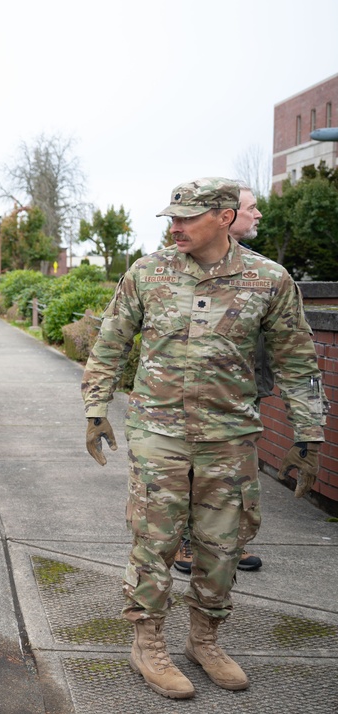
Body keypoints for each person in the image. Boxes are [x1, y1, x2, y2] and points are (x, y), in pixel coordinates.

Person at [83, 177, 325, 700]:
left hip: (230, 436)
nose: (176, 226)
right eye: (171, 217)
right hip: (159, 431)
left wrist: (309, 434)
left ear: (223, 216)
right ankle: (147, 643)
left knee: (221, 548)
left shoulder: (269, 280)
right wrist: (95, 407)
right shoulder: (147, 274)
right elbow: (111, 341)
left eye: (187, 217)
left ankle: (204, 640)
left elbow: (299, 359)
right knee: (155, 542)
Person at [174, 183, 265, 574]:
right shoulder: (158, 271)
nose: (257, 215)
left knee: (234, 481)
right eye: (251, 208)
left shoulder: (265, 274)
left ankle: (230, 540)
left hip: (239, 397)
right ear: (229, 215)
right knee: (188, 475)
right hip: (181, 404)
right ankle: (187, 542)